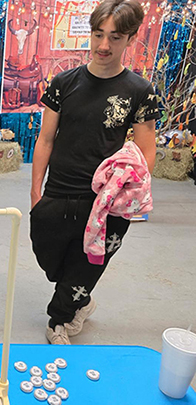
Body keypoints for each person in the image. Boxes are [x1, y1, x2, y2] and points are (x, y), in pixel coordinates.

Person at [30, 0, 159, 345]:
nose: (104, 45)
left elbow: (146, 152)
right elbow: (45, 140)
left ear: (130, 38)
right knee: (48, 256)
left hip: (106, 201)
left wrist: (128, 194)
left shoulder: (140, 91)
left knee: (88, 265)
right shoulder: (63, 83)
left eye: (115, 37)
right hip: (58, 191)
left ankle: (59, 319)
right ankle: (80, 299)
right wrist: (35, 191)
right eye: (98, 34)